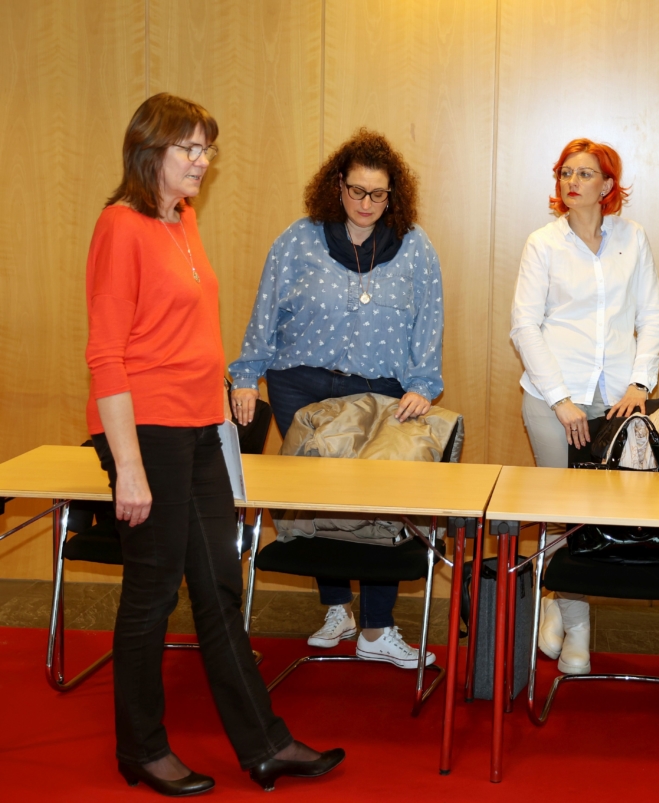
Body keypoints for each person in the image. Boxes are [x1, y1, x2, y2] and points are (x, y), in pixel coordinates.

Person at [85, 93, 343, 796]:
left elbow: (190, 336)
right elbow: (107, 355)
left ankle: (265, 745)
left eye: (208, 149)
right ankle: (140, 748)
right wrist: (128, 468)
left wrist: (221, 420)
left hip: (200, 428)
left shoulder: (183, 218)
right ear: (150, 152)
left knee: (219, 587)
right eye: (189, 149)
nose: (202, 161)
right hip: (147, 433)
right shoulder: (121, 225)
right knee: (152, 591)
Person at [229, 129, 443, 669]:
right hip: (300, 384)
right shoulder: (298, 239)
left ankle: (377, 627)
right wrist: (247, 375)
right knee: (317, 499)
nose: (366, 203)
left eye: (378, 194)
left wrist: (423, 383)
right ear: (337, 186)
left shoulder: (415, 246)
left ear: (393, 195)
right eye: (356, 191)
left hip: (381, 392)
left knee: (379, 508)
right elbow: (266, 308)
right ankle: (336, 609)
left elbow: (429, 319)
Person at [510, 138, 659, 675]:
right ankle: (578, 626)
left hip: (617, 403)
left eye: (585, 173)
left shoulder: (632, 238)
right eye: (565, 173)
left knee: (597, 518)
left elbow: (652, 315)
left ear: (607, 185)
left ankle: (558, 600)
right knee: (561, 516)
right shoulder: (543, 243)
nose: (572, 182)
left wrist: (639, 384)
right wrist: (561, 399)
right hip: (552, 400)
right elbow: (525, 326)